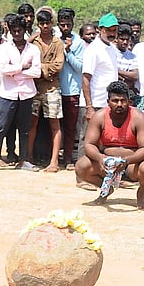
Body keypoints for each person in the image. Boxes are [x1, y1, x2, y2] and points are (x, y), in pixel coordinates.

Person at [75, 80, 144, 209]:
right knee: (81, 166)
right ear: (108, 101)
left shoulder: (139, 117)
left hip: (132, 163)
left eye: (123, 100)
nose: (119, 104)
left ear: (129, 101)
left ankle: (141, 193)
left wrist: (126, 161)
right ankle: (106, 188)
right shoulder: (99, 116)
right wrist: (101, 158)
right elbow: (89, 144)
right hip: (107, 163)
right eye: (115, 101)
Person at [0, 17, 41, 172]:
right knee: (0, 128)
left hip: (26, 94)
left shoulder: (33, 49)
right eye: (14, 30)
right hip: (8, 94)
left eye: (19, 30)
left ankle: (23, 160)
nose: (17, 33)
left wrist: (15, 71)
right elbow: (3, 70)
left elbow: (37, 72)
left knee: (24, 129)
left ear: (25, 30)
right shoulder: (4, 48)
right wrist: (22, 67)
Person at [27, 10, 65, 172]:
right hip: (33, 88)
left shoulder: (58, 43)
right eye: (42, 23)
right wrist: (44, 70)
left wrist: (38, 69)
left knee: (55, 124)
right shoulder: (33, 42)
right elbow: (27, 62)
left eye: (47, 23)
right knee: (32, 123)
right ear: (38, 25)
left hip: (52, 88)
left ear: (52, 23)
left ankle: (54, 161)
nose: (45, 26)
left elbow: (58, 66)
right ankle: (28, 157)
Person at [58, 10, 85, 168]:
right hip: (55, 89)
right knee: (54, 127)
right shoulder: (54, 39)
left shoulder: (79, 43)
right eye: (63, 25)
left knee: (70, 127)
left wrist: (68, 52)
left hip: (72, 90)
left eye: (68, 24)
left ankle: (68, 158)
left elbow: (80, 67)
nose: (65, 27)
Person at [82, 13, 120, 120]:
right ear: (99, 30)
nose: (111, 33)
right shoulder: (93, 49)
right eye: (108, 30)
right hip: (94, 104)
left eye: (114, 30)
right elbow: (86, 78)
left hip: (108, 104)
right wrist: (89, 107)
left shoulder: (112, 48)